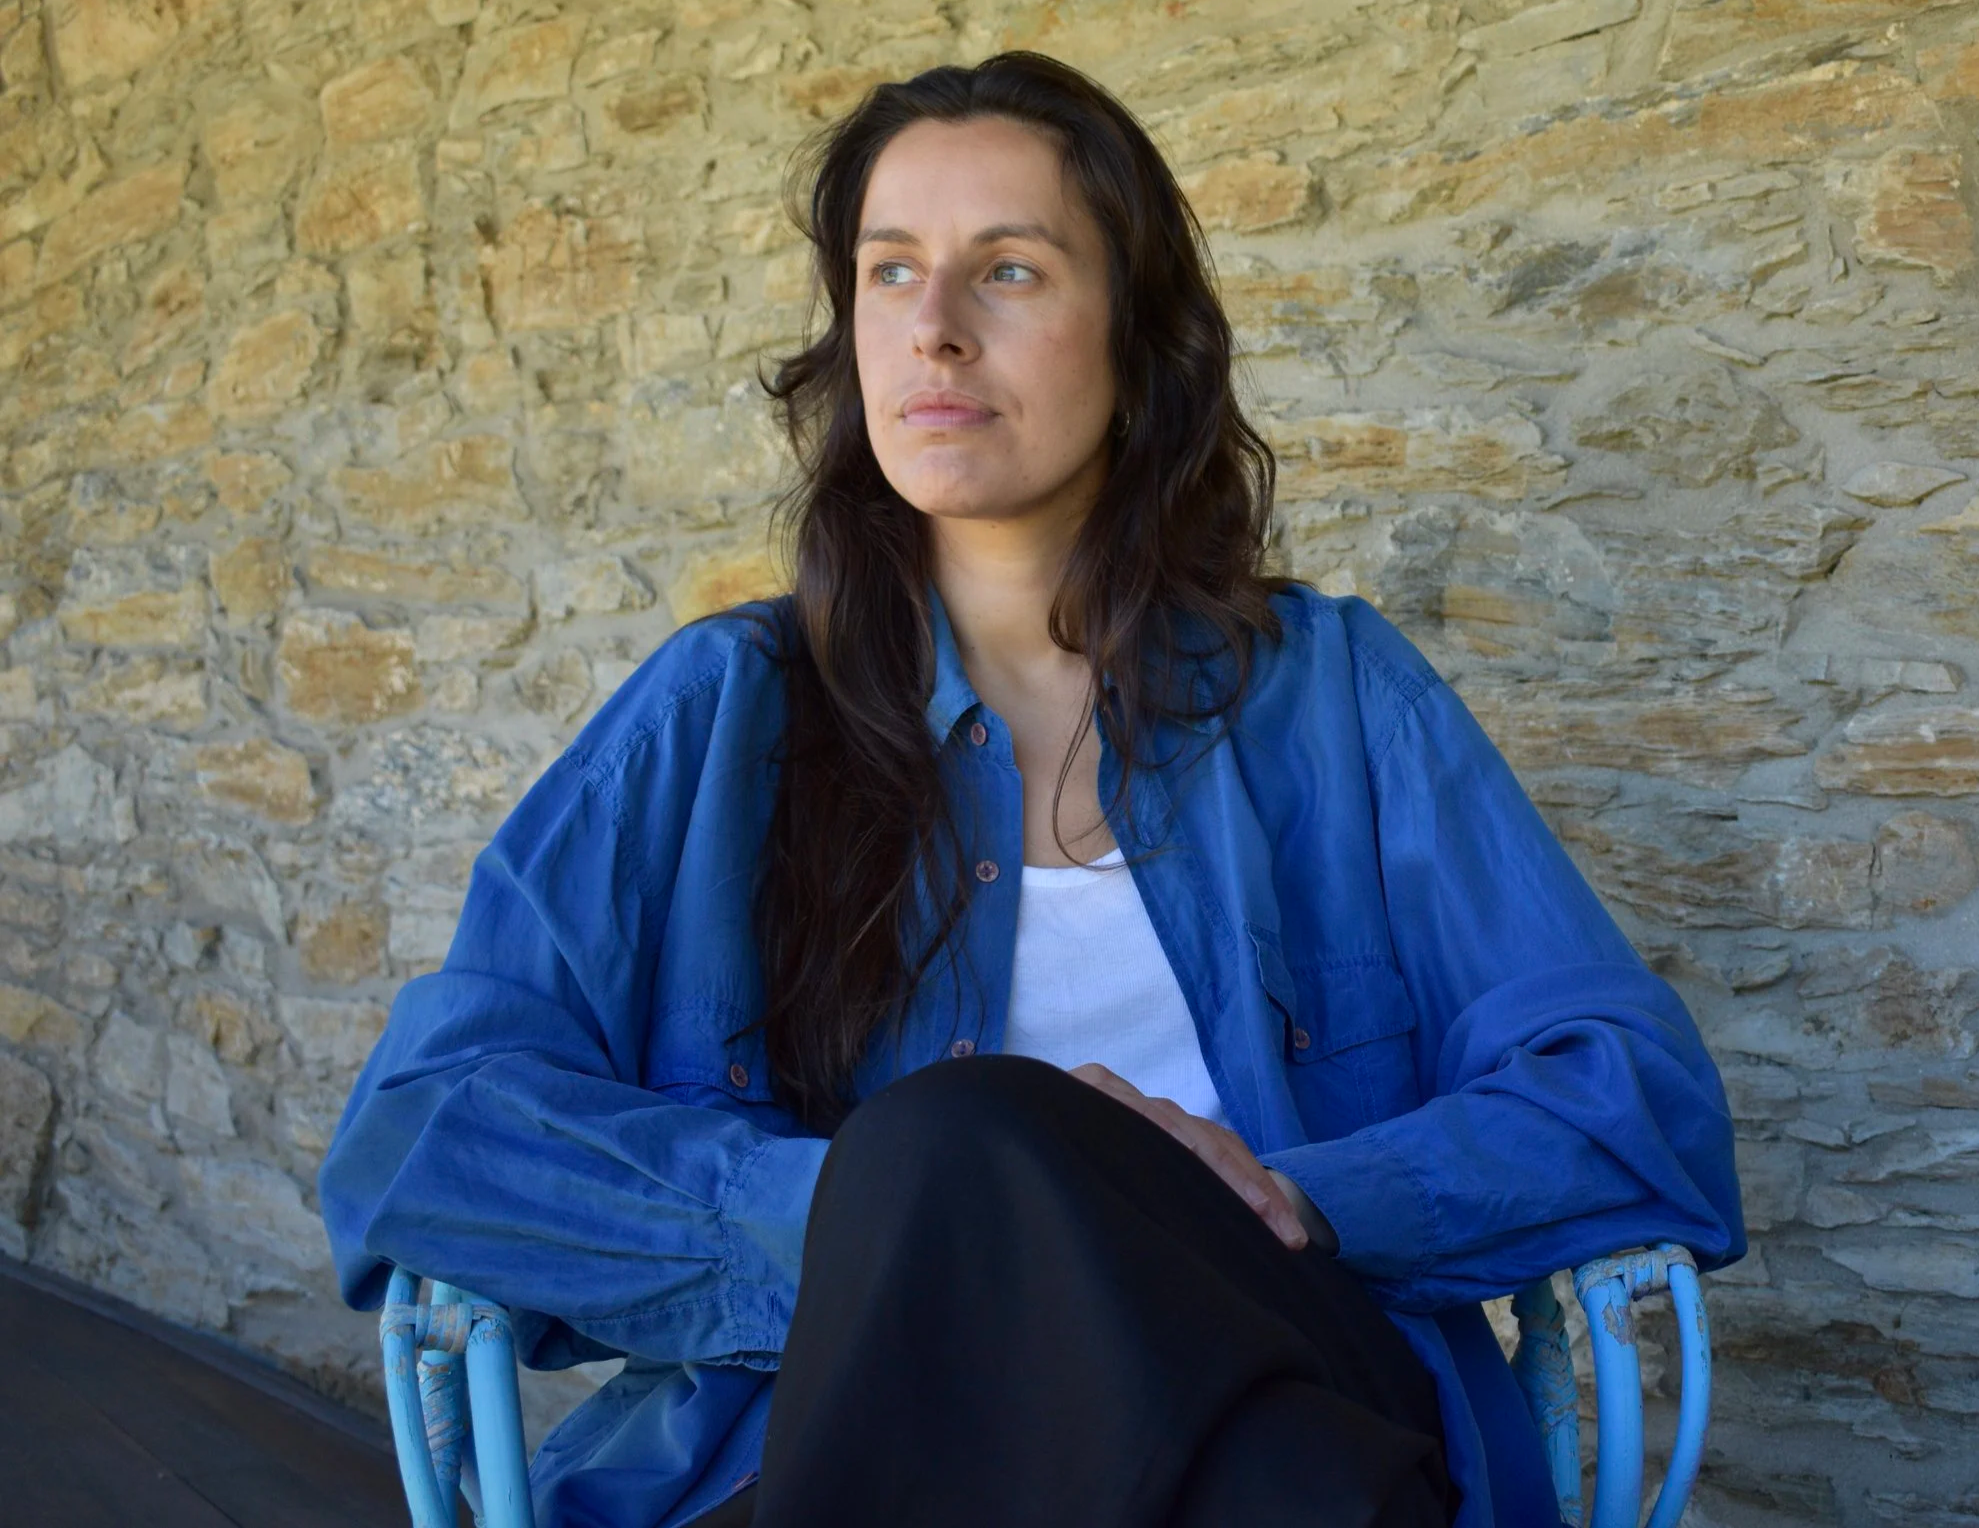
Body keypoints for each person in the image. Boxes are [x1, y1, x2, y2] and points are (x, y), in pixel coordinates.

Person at [318, 50, 1745, 1528]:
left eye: (1005, 270)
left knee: (966, 1148)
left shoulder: (1329, 697)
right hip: (951, 1444)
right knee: (953, 1151)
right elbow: (422, 1134)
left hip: (1281, 1352)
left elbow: (1633, 1099)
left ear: (1139, 337)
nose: (930, 331)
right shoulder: (720, 711)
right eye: (887, 273)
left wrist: (1291, 1198)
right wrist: (887, 1219)